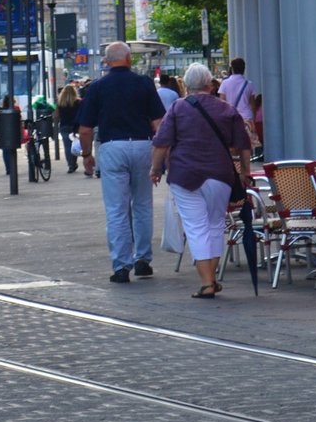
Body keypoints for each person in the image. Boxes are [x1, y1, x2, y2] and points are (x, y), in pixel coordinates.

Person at [149, 62, 252, 299]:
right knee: (216, 225)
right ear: (210, 84)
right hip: (220, 175)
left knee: (196, 228)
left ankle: (207, 282)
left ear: (186, 85)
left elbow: (161, 142)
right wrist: (245, 171)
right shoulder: (226, 109)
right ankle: (211, 279)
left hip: (185, 175)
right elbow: (243, 144)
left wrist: (155, 169)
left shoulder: (177, 108)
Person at [77, 42, 166, 283]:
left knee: (117, 209)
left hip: (112, 147)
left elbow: (85, 129)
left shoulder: (96, 88)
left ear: (106, 62)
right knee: (143, 204)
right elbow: (159, 124)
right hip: (142, 145)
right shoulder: (144, 84)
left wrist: (86, 155)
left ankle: (121, 266)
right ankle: (143, 260)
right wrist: (161, 155)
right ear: (128, 58)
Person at [219, 57, 257, 137]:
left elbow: (222, 103)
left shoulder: (225, 83)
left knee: (233, 146)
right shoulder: (249, 84)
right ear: (244, 69)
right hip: (247, 118)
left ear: (232, 68)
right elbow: (253, 105)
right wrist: (253, 120)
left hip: (231, 119)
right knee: (248, 145)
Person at [56, 83, 83, 173]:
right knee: (75, 144)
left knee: (67, 146)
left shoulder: (60, 103)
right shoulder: (78, 102)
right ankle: (73, 162)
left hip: (64, 125)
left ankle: (71, 165)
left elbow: (56, 115)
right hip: (75, 126)